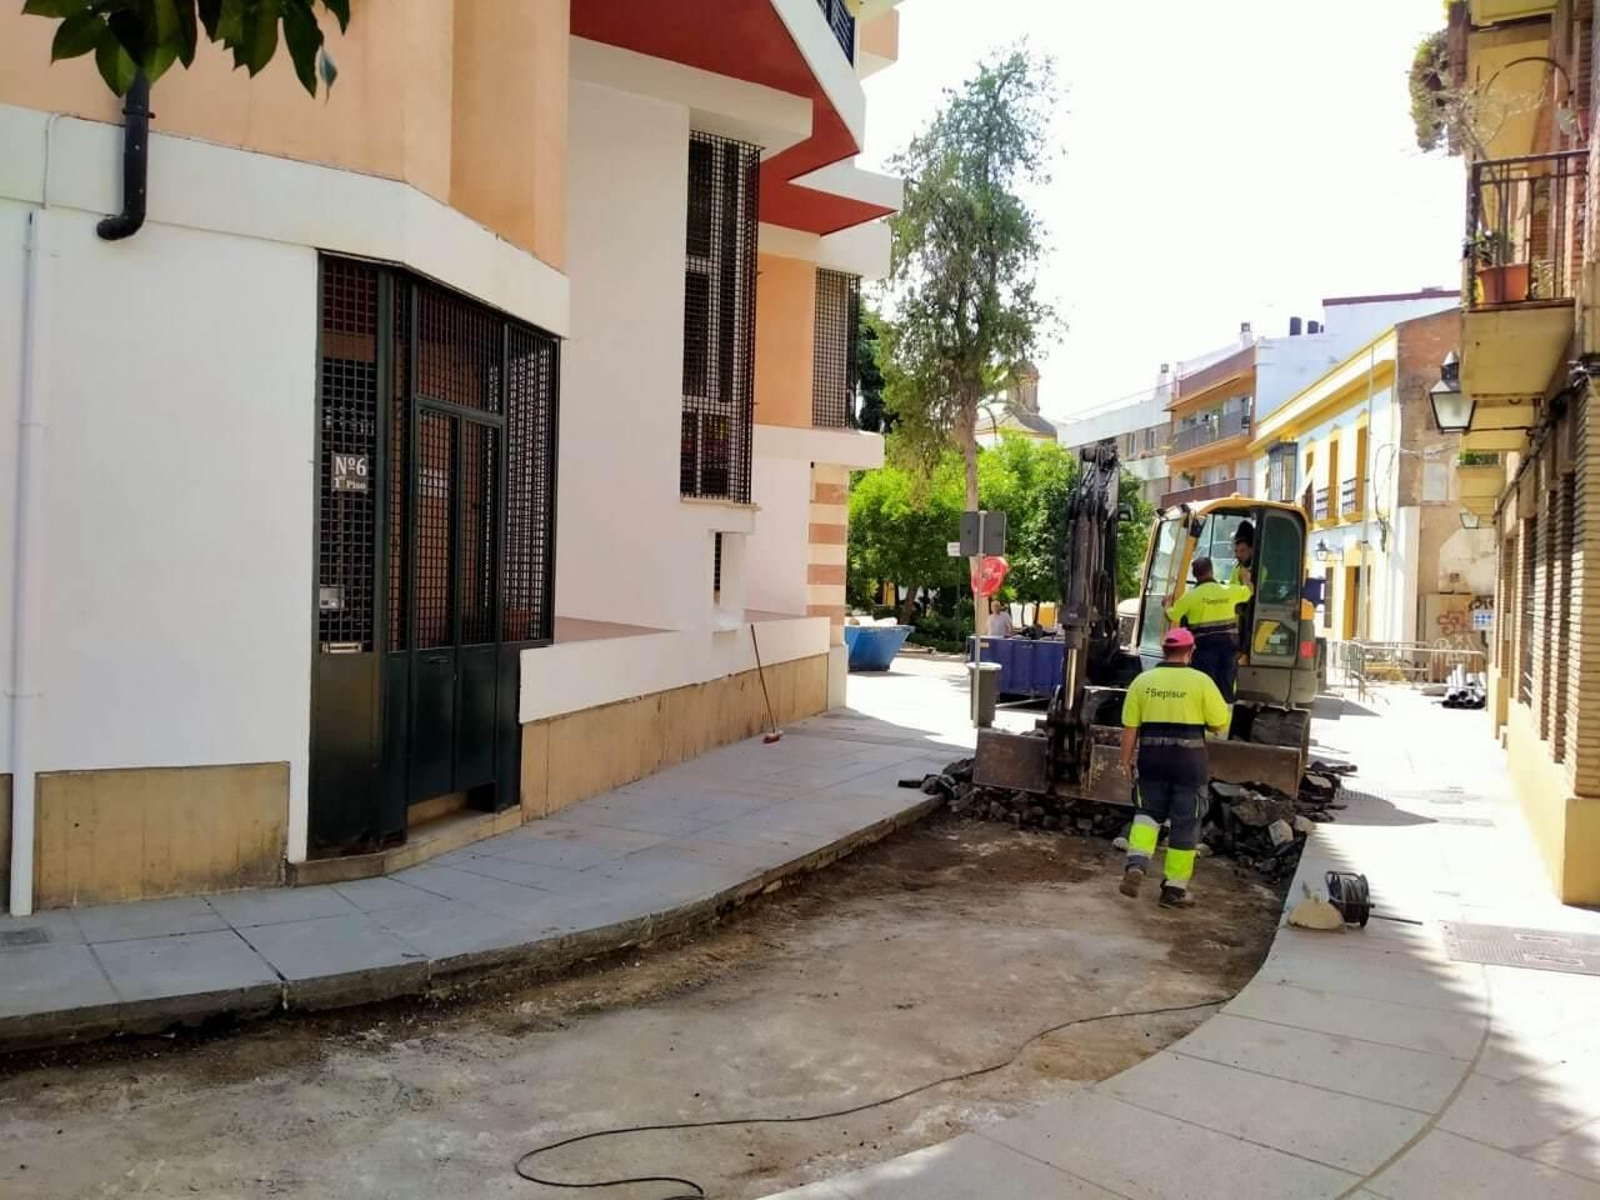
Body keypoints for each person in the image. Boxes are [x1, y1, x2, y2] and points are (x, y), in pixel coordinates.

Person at [1118, 627, 1232, 908]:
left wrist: (1125, 761)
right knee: (1186, 823)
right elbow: (1219, 725)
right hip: (1189, 765)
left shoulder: (1143, 682)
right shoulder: (1202, 682)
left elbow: (1130, 729)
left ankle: (1136, 865)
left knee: (1146, 815)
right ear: (1191, 652)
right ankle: (1173, 891)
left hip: (1152, 762)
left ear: (1164, 650)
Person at [1163, 555, 1251, 702]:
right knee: (1226, 688)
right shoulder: (1228, 590)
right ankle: (1223, 719)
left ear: (1195, 575)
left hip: (1204, 651)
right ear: (1212, 571)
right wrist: (1245, 577)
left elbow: (1173, 616)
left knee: (1204, 690)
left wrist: (1166, 604)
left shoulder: (1190, 596)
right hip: (1229, 649)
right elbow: (1249, 591)